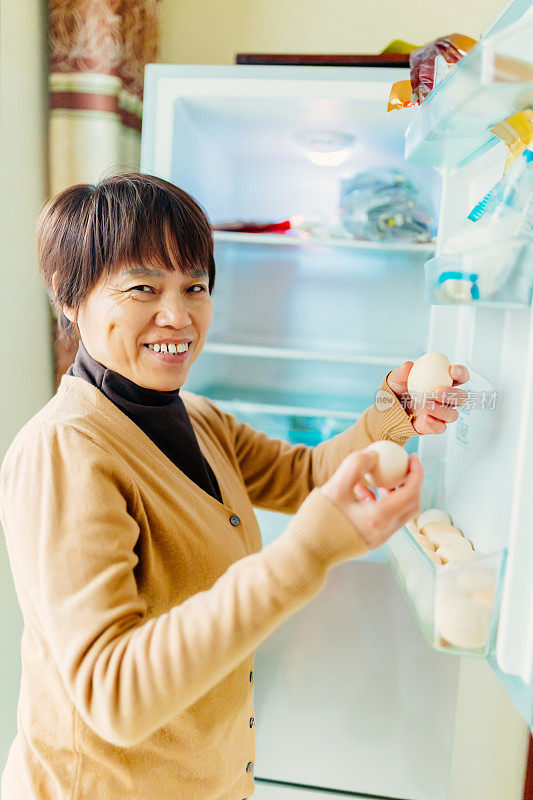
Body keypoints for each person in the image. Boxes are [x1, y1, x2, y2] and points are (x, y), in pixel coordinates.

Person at [0, 173, 469, 800]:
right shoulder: (68, 451)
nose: (179, 314)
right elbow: (113, 694)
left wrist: (393, 416)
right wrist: (308, 552)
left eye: (195, 286)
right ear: (70, 295)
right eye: (143, 286)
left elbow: (304, 477)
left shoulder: (195, 417)